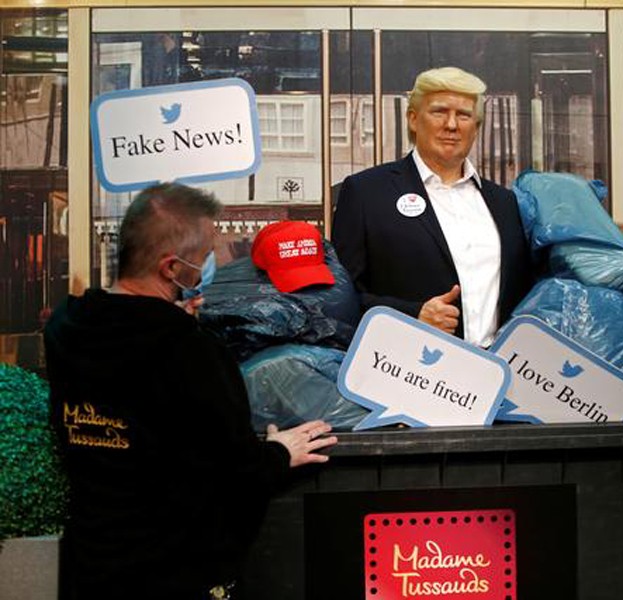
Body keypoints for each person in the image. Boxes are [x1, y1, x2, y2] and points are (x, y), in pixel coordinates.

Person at [44, 183, 338, 600]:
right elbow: (236, 473)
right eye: (202, 258)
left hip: (91, 570)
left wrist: (167, 315)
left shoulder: (67, 329)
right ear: (171, 268)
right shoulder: (190, 350)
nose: (206, 268)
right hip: (171, 575)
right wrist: (279, 453)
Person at [331, 66, 532, 347]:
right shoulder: (366, 193)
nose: (451, 125)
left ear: (476, 127)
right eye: (439, 111)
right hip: (410, 373)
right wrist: (413, 315)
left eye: (464, 115)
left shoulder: (504, 202)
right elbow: (339, 299)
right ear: (413, 119)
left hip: (495, 373)